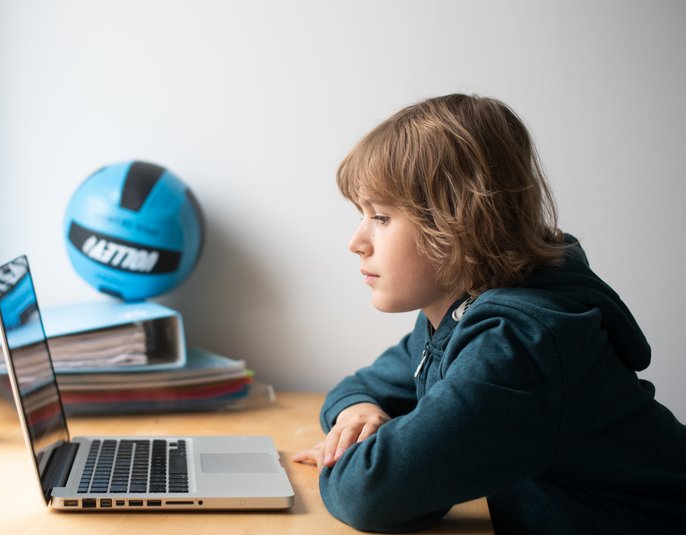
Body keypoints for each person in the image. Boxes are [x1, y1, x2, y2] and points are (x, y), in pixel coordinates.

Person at [291, 94, 686, 534]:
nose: (356, 241)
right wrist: (355, 416)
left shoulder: (519, 344)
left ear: (459, 221)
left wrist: (344, 455)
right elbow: (364, 387)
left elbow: (372, 495)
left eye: (380, 217)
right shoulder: (453, 316)